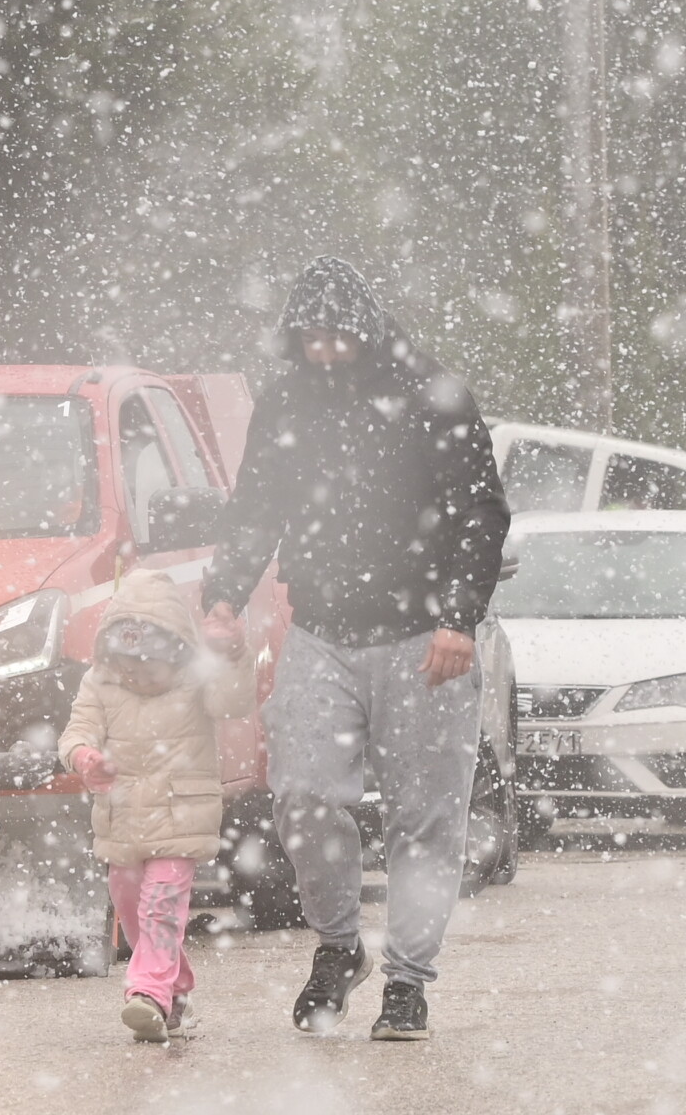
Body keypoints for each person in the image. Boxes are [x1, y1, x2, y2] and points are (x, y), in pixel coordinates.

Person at [203, 256, 510, 1042]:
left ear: (368, 330)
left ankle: (408, 981)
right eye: (312, 338)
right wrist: (222, 596)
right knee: (302, 793)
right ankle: (339, 945)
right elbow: (257, 504)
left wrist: (457, 616)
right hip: (322, 632)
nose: (327, 351)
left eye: (340, 336)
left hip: (423, 639)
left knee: (425, 818)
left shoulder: (431, 396)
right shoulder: (286, 404)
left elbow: (480, 509)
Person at [56, 568, 255, 1043]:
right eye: (127, 665)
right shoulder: (101, 683)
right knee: (131, 909)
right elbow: (76, 732)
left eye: (148, 666)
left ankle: (145, 991)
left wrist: (232, 655)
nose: (136, 675)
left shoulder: (196, 679)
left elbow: (233, 701)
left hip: (180, 814)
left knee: (161, 907)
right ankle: (176, 988)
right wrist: (85, 758)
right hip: (121, 820)